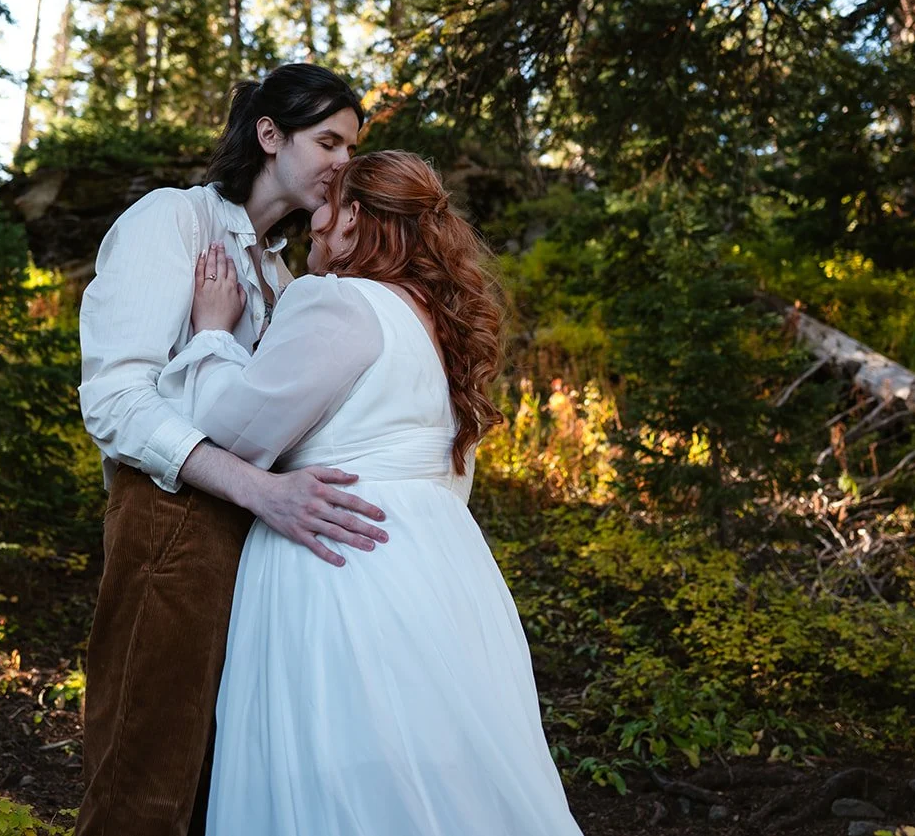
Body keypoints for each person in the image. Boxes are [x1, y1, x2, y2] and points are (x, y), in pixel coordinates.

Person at [157, 150, 586, 836]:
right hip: (447, 575)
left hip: (338, 565)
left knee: (335, 772)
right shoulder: (445, 330)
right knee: (440, 776)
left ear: (355, 218)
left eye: (328, 205)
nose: (313, 224)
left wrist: (212, 331)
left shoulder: (338, 300)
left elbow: (232, 429)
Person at [75, 64, 393, 836]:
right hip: (170, 520)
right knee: (144, 775)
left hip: (255, 544)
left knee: (222, 779)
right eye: (329, 140)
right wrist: (259, 488)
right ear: (269, 134)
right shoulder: (173, 222)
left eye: (352, 145)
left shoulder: (282, 274)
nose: (344, 162)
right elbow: (115, 399)